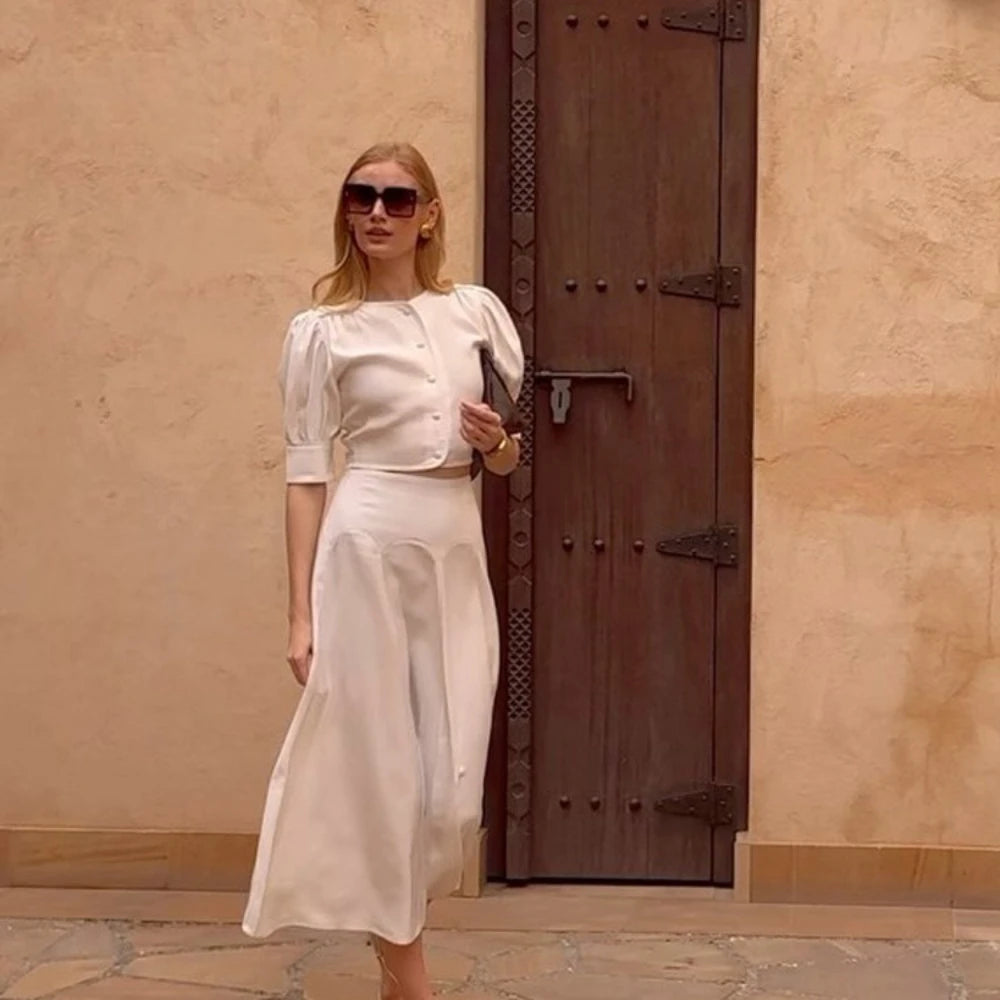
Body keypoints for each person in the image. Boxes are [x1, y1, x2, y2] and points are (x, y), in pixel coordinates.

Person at [241, 142, 524, 1000]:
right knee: (379, 770)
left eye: (397, 199)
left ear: (428, 215)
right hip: (362, 546)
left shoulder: (475, 313)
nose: (376, 212)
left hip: (452, 545)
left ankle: (390, 934)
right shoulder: (323, 333)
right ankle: (408, 974)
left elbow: (509, 459)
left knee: (451, 794)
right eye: (361, 196)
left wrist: (496, 443)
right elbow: (304, 475)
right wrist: (301, 615)